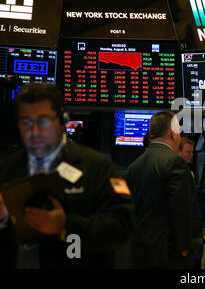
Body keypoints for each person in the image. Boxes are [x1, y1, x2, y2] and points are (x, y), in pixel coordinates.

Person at [0, 83, 134, 269]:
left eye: (44, 120)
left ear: (62, 119)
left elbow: (122, 225)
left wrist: (65, 226)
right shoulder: (8, 169)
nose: (35, 131)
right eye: (26, 122)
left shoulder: (97, 167)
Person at [126, 112, 202, 268]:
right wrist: (186, 247)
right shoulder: (174, 162)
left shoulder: (133, 166)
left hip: (140, 250)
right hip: (169, 254)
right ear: (172, 133)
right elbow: (182, 209)